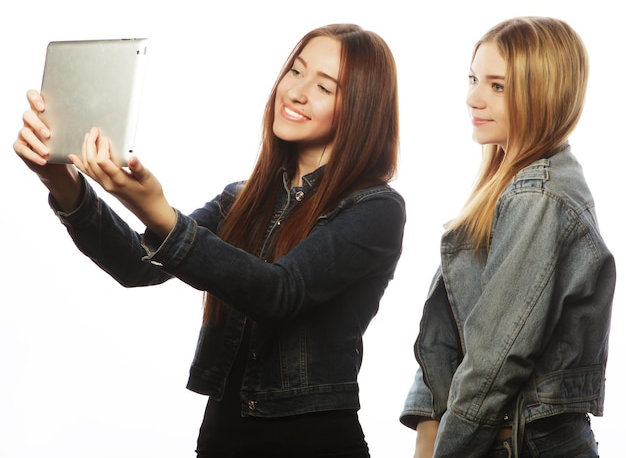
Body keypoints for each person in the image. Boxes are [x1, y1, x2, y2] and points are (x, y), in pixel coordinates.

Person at [14, 23, 406, 458]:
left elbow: (279, 292)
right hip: (223, 439)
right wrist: (61, 180)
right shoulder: (241, 197)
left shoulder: (376, 208)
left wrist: (158, 210)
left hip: (314, 443)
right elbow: (137, 265)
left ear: (360, 109)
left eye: (324, 87)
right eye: (295, 71)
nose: (296, 91)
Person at [399, 16, 615, 457]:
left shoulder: (539, 197)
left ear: (544, 93)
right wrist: (426, 431)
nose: (472, 97)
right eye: (474, 78)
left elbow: (492, 367)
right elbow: (453, 333)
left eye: (498, 86)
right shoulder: (506, 185)